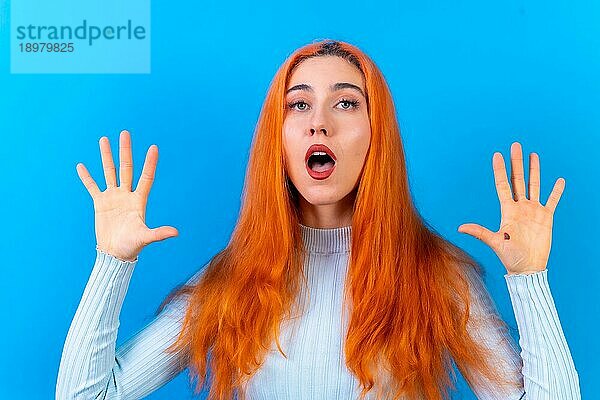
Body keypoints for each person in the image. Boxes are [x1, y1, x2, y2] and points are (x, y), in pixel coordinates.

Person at [56, 40, 580, 400]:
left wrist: (530, 278)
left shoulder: (436, 277)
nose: (319, 123)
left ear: (378, 134)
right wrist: (112, 263)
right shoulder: (231, 281)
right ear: (277, 140)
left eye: (346, 103)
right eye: (298, 105)